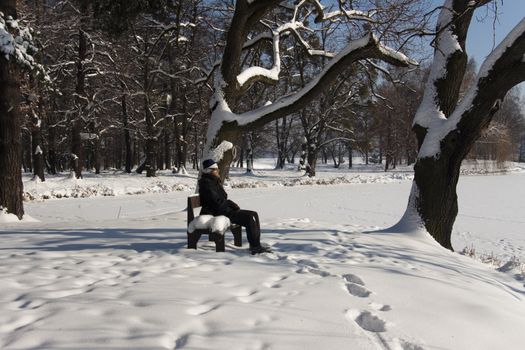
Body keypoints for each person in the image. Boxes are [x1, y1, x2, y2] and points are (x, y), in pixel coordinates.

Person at [198, 159, 271, 255]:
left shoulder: (213, 182)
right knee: (248, 218)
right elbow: (216, 204)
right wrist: (230, 204)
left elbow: (222, 198)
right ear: (210, 171)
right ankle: (255, 247)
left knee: (253, 214)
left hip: (222, 210)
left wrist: (229, 203)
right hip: (215, 213)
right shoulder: (207, 184)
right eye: (216, 169)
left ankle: (255, 244)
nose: (218, 171)